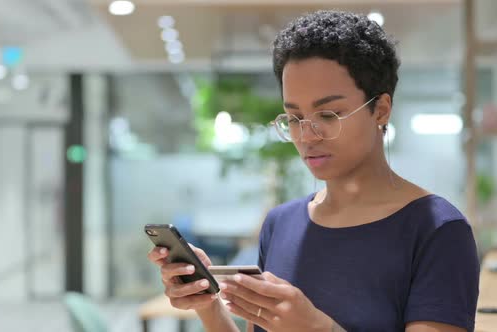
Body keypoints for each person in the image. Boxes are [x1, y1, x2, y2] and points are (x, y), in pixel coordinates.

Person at [147, 10, 479, 332]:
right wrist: (208, 306)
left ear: (380, 109)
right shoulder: (280, 224)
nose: (307, 135)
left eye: (329, 115)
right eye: (294, 118)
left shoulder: (437, 230)